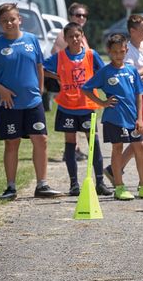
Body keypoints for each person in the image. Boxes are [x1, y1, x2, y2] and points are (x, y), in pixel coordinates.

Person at [0, 3, 61, 199]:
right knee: (12, 143)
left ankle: (42, 185)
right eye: (5, 20)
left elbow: (39, 65)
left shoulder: (32, 40)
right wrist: (2, 90)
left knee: (41, 140)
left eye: (12, 19)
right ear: (0, 23)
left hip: (33, 102)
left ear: (20, 20)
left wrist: (40, 89)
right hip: (9, 104)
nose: (9, 23)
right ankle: (11, 187)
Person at [82, 34, 143, 200]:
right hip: (114, 118)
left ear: (126, 50)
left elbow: (138, 94)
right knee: (117, 148)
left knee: (141, 147)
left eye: (121, 51)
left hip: (133, 118)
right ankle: (119, 187)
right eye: (114, 52)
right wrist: (102, 102)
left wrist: (140, 118)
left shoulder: (131, 70)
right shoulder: (105, 72)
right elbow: (86, 88)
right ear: (108, 52)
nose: (118, 55)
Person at [43, 22, 112, 196]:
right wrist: (56, 75)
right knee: (70, 144)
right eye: (71, 36)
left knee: (93, 144)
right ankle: (74, 184)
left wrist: (102, 89)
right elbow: (41, 67)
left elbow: (103, 72)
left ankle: (100, 182)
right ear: (65, 39)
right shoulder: (59, 57)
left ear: (82, 36)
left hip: (87, 106)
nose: (74, 39)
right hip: (67, 106)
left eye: (77, 35)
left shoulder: (91, 54)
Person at [103, 15, 143, 197]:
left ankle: (122, 172)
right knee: (141, 139)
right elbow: (130, 74)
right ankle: (120, 172)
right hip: (131, 100)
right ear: (132, 31)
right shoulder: (126, 49)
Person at [50, 2, 91, 160]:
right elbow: (57, 55)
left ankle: (76, 149)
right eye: (77, 15)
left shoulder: (80, 34)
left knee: (79, 116)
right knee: (72, 118)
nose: (81, 18)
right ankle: (71, 151)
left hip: (80, 85)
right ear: (70, 16)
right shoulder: (64, 35)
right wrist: (60, 77)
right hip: (70, 85)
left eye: (84, 15)